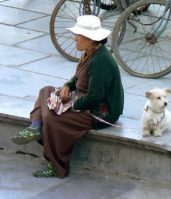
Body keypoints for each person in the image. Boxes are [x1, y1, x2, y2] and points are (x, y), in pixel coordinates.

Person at [11, 15, 124, 178]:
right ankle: (36, 127)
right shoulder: (90, 52)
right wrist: (67, 87)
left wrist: (71, 105)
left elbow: (94, 97)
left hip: (99, 112)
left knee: (51, 119)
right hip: (82, 99)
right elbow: (78, 77)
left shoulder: (101, 62)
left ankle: (56, 166)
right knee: (46, 91)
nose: (75, 38)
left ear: (90, 38)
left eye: (78, 35)